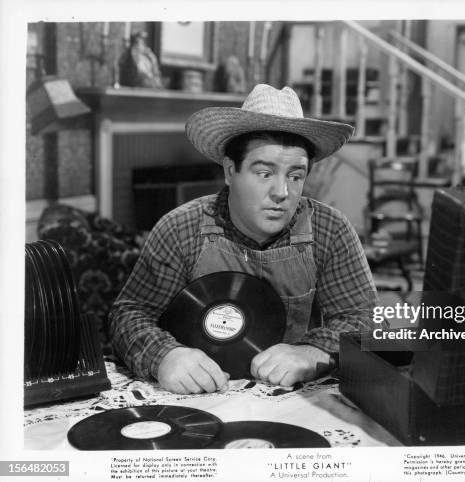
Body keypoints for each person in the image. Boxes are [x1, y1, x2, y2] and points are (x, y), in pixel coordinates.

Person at [109, 84, 377, 395]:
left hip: (293, 403)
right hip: (200, 400)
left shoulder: (330, 229)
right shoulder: (180, 228)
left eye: (295, 176)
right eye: (264, 173)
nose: (282, 192)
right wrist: (165, 357)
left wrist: (313, 352)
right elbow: (129, 314)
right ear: (229, 170)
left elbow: (366, 319)